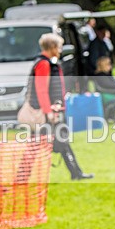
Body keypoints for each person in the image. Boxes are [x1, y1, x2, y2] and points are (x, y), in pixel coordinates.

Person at [26, 33, 93, 179]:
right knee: (36, 147)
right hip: (48, 115)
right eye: (59, 47)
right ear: (52, 47)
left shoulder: (48, 62)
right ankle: (21, 177)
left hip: (52, 112)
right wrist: (48, 112)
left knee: (60, 143)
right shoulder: (43, 64)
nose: (61, 50)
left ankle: (76, 173)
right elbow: (41, 90)